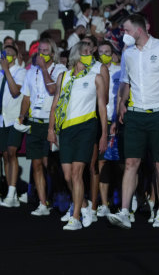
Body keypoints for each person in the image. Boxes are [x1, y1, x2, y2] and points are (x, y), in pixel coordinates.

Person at [107, 14, 159, 229]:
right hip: (135, 114)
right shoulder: (128, 54)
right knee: (131, 163)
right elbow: (125, 81)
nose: (124, 35)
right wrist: (121, 102)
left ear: (139, 30)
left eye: (127, 30)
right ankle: (124, 211)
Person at [49, 41, 108, 230]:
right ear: (76, 55)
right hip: (66, 129)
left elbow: (102, 107)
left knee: (77, 173)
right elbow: (56, 103)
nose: (89, 55)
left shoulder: (95, 78)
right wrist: (51, 128)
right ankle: (83, 205)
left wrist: (104, 134)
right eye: (85, 52)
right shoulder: (63, 76)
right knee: (67, 175)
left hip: (86, 127)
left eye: (91, 52)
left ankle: (75, 218)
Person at [19, 38, 67, 212]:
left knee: (51, 165)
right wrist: (21, 115)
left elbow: (53, 89)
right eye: (40, 50)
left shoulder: (60, 69)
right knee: (37, 164)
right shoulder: (31, 71)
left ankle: (59, 195)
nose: (41, 54)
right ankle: (42, 202)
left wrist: (45, 68)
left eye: (45, 51)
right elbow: (26, 96)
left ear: (53, 53)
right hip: (34, 121)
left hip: (51, 122)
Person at [0, 46, 27, 209]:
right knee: (5, 155)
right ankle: (9, 192)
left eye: (9, 55)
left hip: (14, 118)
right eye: (4, 55)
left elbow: (15, 91)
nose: (6, 57)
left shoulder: (20, 72)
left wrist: (7, 70)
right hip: (1, 119)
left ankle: (12, 193)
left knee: (12, 152)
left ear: (16, 56)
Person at [96, 41, 122, 218]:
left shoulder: (120, 71)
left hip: (118, 120)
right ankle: (104, 204)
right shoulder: (94, 70)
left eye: (108, 51)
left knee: (120, 164)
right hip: (100, 121)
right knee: (102, 162)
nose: (105, 54)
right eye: (102, 52)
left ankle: (121, 202)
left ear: (113, 54)